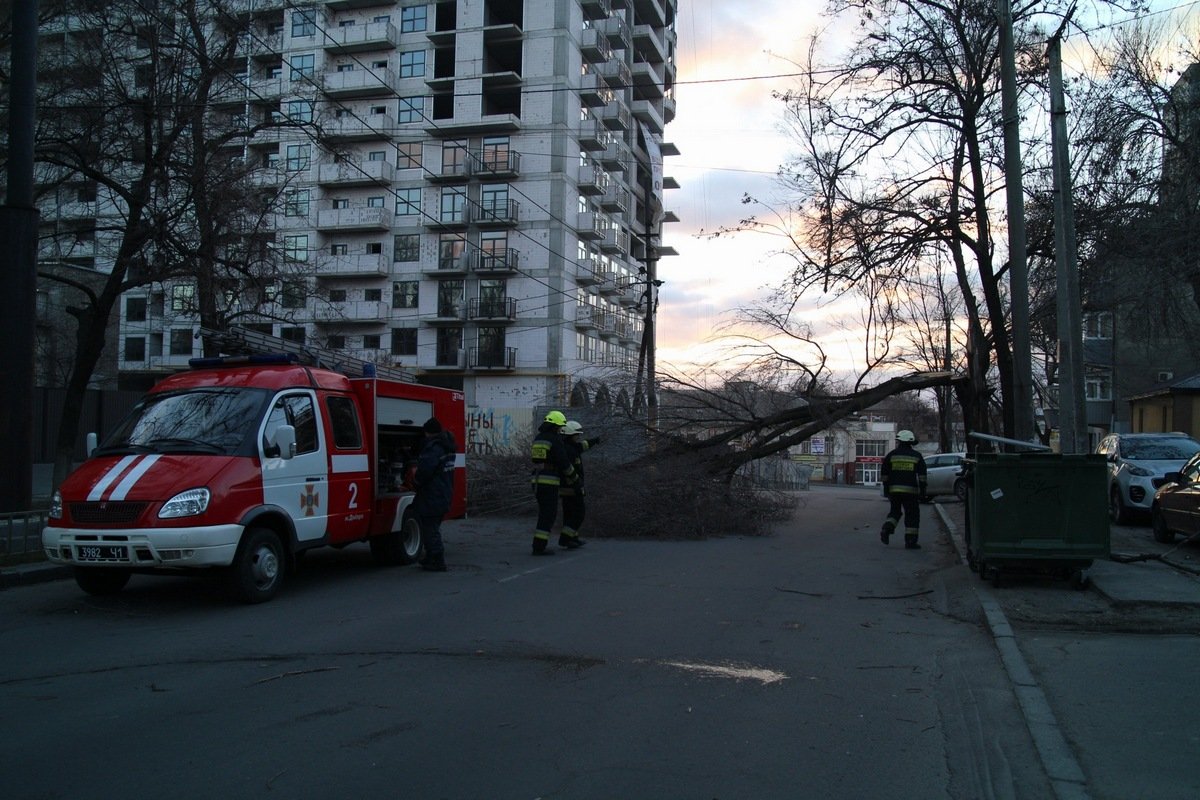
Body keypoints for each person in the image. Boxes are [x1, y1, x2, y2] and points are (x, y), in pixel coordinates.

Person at [530, 410, 578, 555]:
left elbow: (536, 460)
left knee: (544, 512)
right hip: (549, 481)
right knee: (548, 514)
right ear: (555, 426)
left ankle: (538, 545)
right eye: (559, 427)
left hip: (536, 480)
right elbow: (564, 462)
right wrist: (575, 478)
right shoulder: (555, 440)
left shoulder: (538, 438)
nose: (560, 430)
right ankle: (539, 547)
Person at [412, 417, 456, 571]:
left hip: (433, 494)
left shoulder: (433, 449)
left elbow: (425, 471)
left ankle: (437, 560)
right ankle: (431, 556)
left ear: (428, 432)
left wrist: (415, 481)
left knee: (430, 528)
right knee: (432, 527)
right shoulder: (447, 447)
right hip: (443, 493)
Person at [880, 429, 928, 550]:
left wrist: (887, 489)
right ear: (911, 443)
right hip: (911, 492)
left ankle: (886, 528)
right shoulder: (917, 456)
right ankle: (910, 541)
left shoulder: (891, 455)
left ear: (899, 441)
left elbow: (884, 475)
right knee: (912, 515)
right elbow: (922, 476)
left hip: (894, 491)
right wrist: (923, 492)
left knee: (895, 512)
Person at [559, 420, 603, 549]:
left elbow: (582, 446)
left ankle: (573, 538)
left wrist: (594, 441)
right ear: (569, 435)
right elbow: (568, 470)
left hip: (567, 488)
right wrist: (577, 483)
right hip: (572, 487)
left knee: (569, 514)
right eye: (576, 434)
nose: (578, 436)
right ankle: (565, 538)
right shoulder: (569, 450)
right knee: (579, 513)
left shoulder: (569, 447)